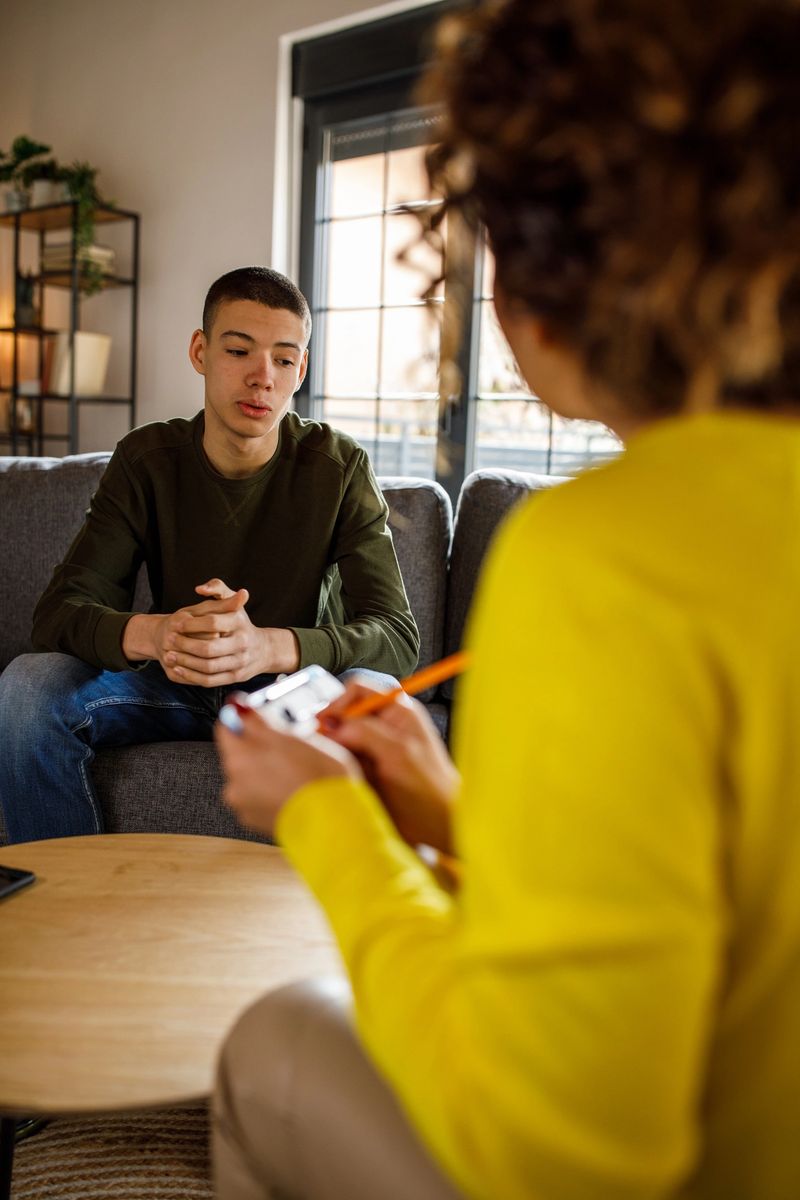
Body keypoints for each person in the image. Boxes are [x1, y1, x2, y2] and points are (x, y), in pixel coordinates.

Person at [212, 3, 800, 1198]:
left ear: (537, 283)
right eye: (239, 350)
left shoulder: (603, 553)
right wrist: (452, 817)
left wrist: (333, 824)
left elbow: (557, 1155)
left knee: (267, 1037)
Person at [0, 266, 419, 845]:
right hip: (172, 681)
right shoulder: (147, 459)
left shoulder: (339, 466)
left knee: (373, 690)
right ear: (200, 351)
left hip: (288, 694)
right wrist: (158, 634)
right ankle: (64, 901)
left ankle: (329, 919)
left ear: (300, 370)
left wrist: (266, 646)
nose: (261, 377)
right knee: (27, 686)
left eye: (282, 359)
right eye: (239, 350)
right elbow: (60, 612)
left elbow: (397, 635)